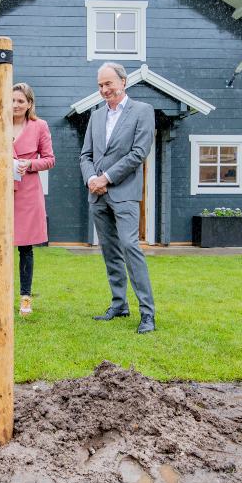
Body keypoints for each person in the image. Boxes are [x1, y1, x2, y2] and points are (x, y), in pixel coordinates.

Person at [79, 62, 157, 334]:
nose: (104, 90)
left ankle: (147, 314)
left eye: (108, 84)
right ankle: (119, 304)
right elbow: (85, 155)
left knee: (130, 247)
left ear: (123, 82)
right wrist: (91, 179)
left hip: (124, 194)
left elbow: (139, 153)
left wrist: (106, 178)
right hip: (97, 195)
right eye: (100, 85)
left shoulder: (143, 112)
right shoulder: (96, 116)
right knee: (110, 252)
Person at [0, 82, 55, 315]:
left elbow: (50, 159)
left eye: (21, 101)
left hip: (27, 193)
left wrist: (30, 164)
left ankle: (25, 298)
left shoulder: (39, 126)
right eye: (12, 100)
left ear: (29, 103)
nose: (16, 105)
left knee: (25, 247)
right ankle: (1, 294)